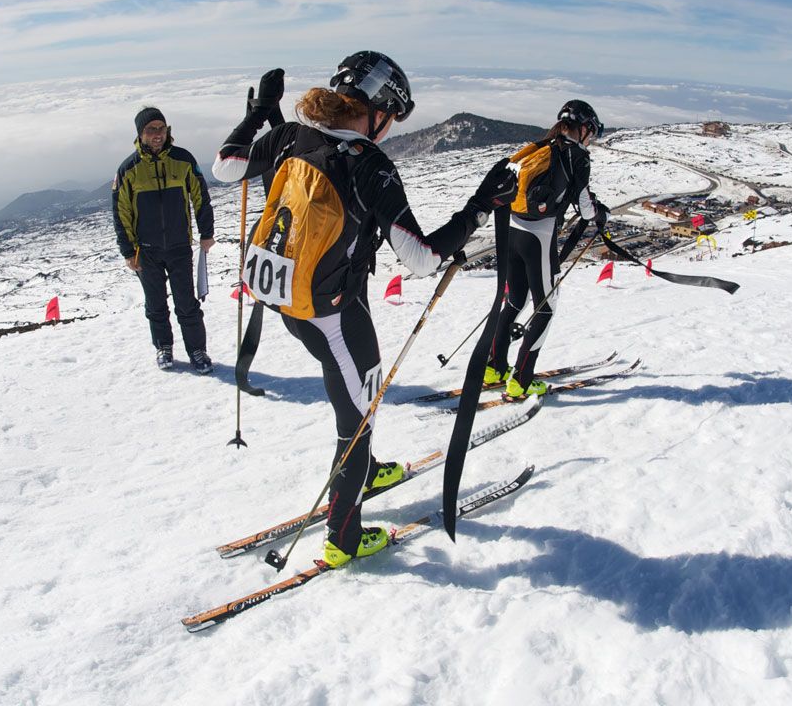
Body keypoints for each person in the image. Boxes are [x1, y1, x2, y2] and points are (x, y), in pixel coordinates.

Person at [212, 52, 518, 567]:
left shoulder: (293, 136)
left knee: (357, 400)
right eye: (393, 117)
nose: (390, 129)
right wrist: (479, 206)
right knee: (355, 419)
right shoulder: (368, 164)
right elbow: (419, 258)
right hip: (336, 314)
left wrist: (262, 111)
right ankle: (344, 538)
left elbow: (225, 166)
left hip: (292, 302)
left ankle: (368, 466)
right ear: (378, 109)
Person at [486, 100, 610, 400]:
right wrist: (599, 214)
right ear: (582, 128)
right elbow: (584, 206)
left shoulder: (541, 146)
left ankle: (494, 367)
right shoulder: (576, 156)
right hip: (538, 236)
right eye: (589, 131)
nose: (589, 137)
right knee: (546, 307)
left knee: (515, 301)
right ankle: (522, 382)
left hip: (512, 230)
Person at [112, 106, 216, 374]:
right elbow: (121, 212)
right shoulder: (129, 169)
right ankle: (163, 347)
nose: (158, 134)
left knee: (187, 304)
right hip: (146, 251)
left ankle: (197, 350)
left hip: (180, 246)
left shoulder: (183, 160)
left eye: (162, 128)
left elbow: (200, 197)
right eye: (151, 130)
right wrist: (127, 251)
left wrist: (207, 233)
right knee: (155, 305)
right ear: (140, 134)